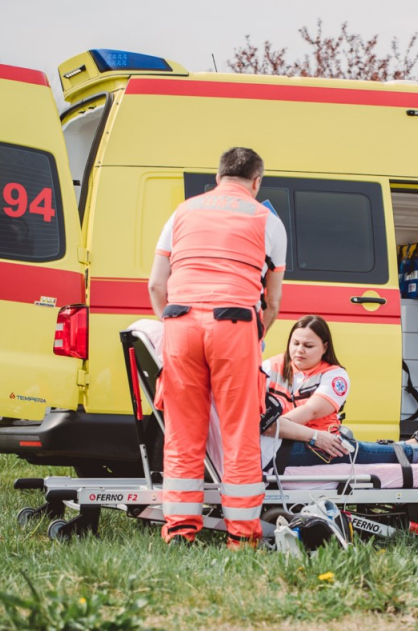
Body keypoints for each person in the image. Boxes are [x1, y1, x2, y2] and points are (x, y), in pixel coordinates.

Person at [148, 147, 286, 548]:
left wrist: (172, 323)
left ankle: (179, 530)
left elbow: (157, 285)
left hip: (180, 322)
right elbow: (272, 301)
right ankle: (241, 536)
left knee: (182, 432)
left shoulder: (183, 212)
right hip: (235, 324)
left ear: (218, 176)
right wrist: (255, 335)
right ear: (256, 181)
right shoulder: (267, 220)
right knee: (238, 432)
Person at [260, 315, 418, 470]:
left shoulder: (335, 376)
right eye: (295, 344)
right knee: (347, 447)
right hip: (294, 442)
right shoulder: (271, 367)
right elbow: (267, 426)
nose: (299, 351)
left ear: (324, 347)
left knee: (344, 445)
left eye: (308, 345)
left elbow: (310, 412)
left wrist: (279, 428)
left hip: (307, 441)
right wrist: (309, 435)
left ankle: (417, 448)